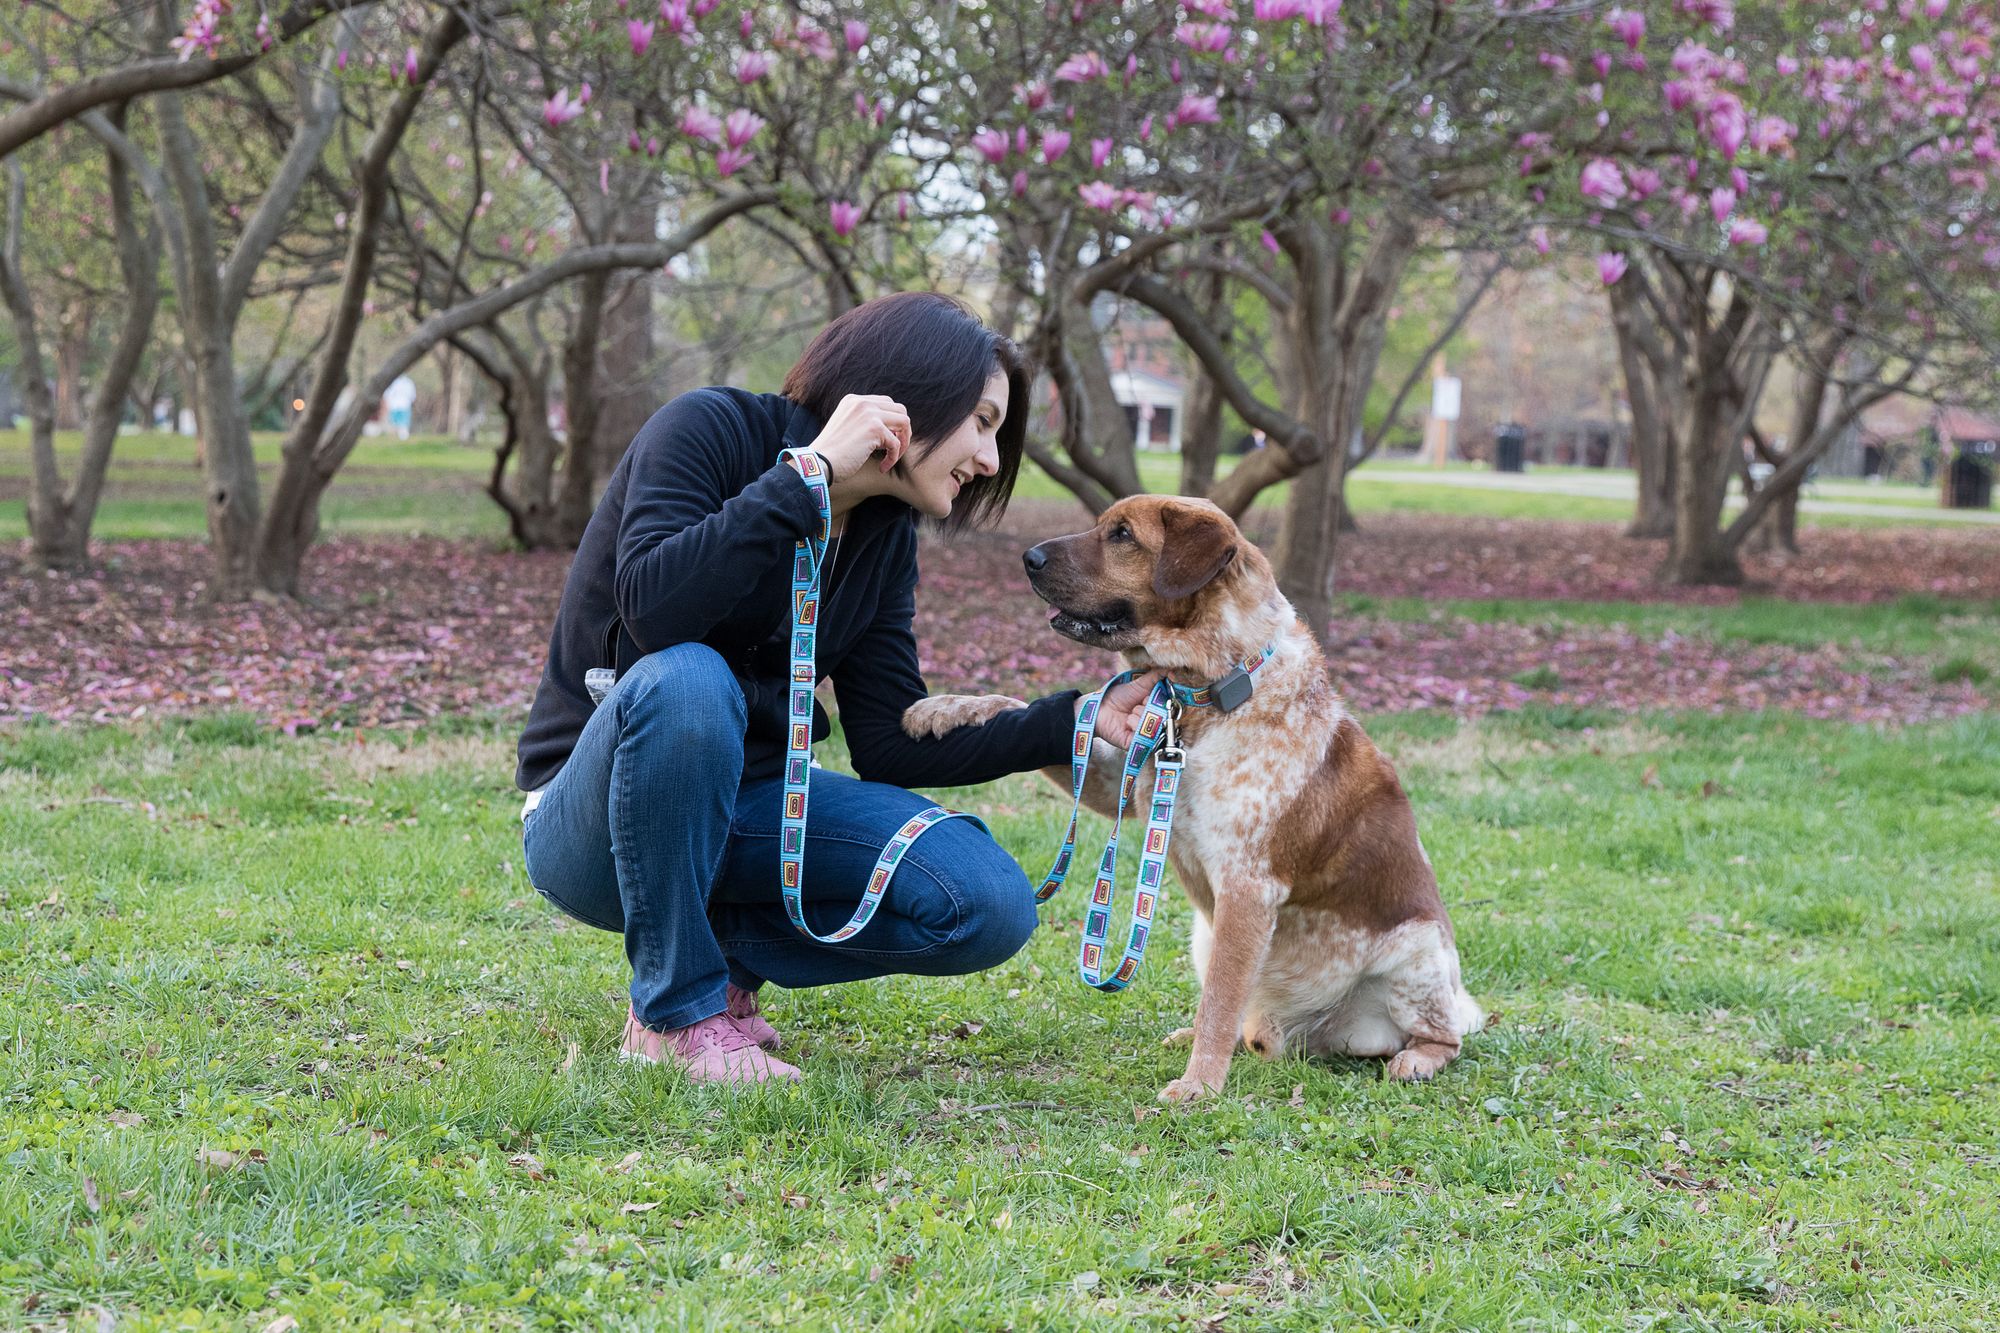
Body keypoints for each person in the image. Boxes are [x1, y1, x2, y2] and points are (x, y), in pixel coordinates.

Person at [516, 292, 1162, 1085]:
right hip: (594, 823)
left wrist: (1073, 720)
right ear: (911, 391)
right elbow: (654, 609)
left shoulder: (884, 541)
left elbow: (890, 739)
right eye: (984, 422)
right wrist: (808, 480)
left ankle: (721, 961)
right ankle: (673, 1018)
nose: (991, 461)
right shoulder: (709, 431)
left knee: (986, 897)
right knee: (689, 681)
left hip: (749, 814)